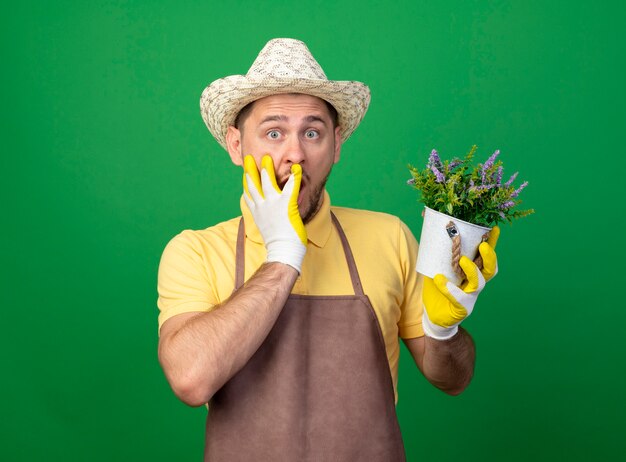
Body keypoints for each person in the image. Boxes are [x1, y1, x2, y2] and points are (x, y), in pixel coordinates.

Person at [157, 38, 500, 461]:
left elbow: (453, 379)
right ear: (235, 144)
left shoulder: (389, 238)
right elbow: (190, 379)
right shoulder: (195, 251)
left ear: (336, 145)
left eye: (312, 133)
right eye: (274, 132)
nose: (294, 154)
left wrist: (444, 331)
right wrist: (283, 255)